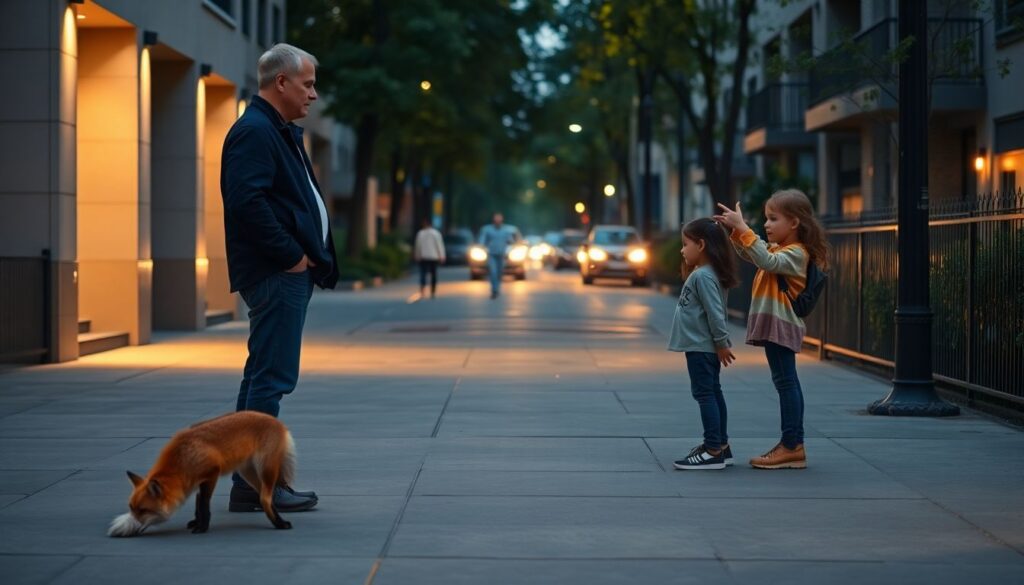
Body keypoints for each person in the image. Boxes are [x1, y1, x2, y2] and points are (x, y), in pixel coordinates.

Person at [220, 43, 338, 512]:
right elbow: (247, 203)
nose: (313, 93)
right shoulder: (255, 131)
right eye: (307, 84)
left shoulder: (278, 130)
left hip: (283, 272)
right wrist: (291, 256)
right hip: (276, 273)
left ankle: (249, 485)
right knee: (271, 377)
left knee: (263, 377)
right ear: (281, 82)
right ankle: (258, 485)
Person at [714, 189, 829, 470]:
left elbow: (767, 261)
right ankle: (792, 445)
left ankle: (792, 446)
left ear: (794, 223)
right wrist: (737, 231)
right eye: (766, 219)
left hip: (781, 324)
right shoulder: (780, 250)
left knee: (786, 382)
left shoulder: (796, 253)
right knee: (785, 381)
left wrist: (744, 229)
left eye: (773, 219)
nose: (766, 225)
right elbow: (757, 255)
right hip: (775, 324)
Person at [668, 218, 739, 471]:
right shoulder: (706, 274)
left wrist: (721, 342)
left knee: (705, 394)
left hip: (702, 347)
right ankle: (721, 446)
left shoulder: (703, 276)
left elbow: (715, 312)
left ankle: (712, 450)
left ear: (701, 244)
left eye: (685, 244)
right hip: (701, 346)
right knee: (713, 392)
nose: (682, 249)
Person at [478, 213, 517, 299]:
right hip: (492, 254)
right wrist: (481, 246)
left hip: (502, 255)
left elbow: (511, 241)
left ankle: (497, 288)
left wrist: (513, 243)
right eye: (496, 219)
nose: (498, 221)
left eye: (499, 219)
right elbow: (482, 240)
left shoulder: (506, 231)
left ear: (502, 220)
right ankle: (494, 290)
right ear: (493, 220)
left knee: (499, 273)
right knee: (493, 272)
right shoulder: (487, 230)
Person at [414, 219, 445, 298]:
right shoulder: (436, 233)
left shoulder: (420, 234)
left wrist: (417, 255)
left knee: (423, 274)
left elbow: (418, 246)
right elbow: (439, 245)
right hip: (433, 256)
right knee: (433, 274)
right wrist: (442, 255)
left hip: (424, 256)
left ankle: (422, 290)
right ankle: (433, 291)